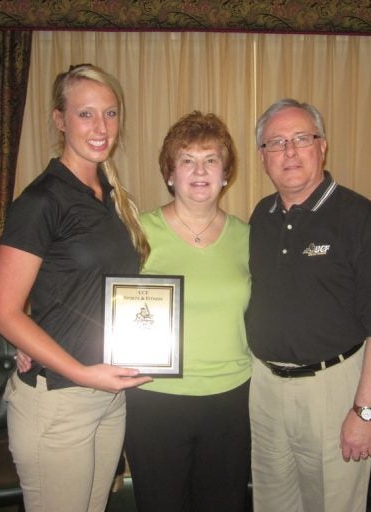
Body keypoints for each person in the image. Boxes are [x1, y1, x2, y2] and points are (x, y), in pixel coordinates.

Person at [0, 63, 152, 512]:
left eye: (110, 114)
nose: (101, 128)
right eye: (86, 114)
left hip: (106, 395)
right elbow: (1, 310)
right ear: (60, 119)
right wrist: (79, 372)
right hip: (59, 401)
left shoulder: (109, 195)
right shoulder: (42, 201)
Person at [245, 98, 371, 512]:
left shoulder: (360, 218)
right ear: (263, 157)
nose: (290, 152)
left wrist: (365, 412)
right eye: (276, 143)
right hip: (265, 388)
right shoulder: (261, 218)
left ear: (323, 146)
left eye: (301, 138)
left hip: (333, 390)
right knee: (272, 502)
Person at [123, 111, 252, 512]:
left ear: (226, 173)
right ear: (170, 172)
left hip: (232, 399)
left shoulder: (249, 237)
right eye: (187, 160)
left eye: (211, 159)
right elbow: (90, 298)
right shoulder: (135, 231)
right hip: (155, 399)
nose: (200, 171)